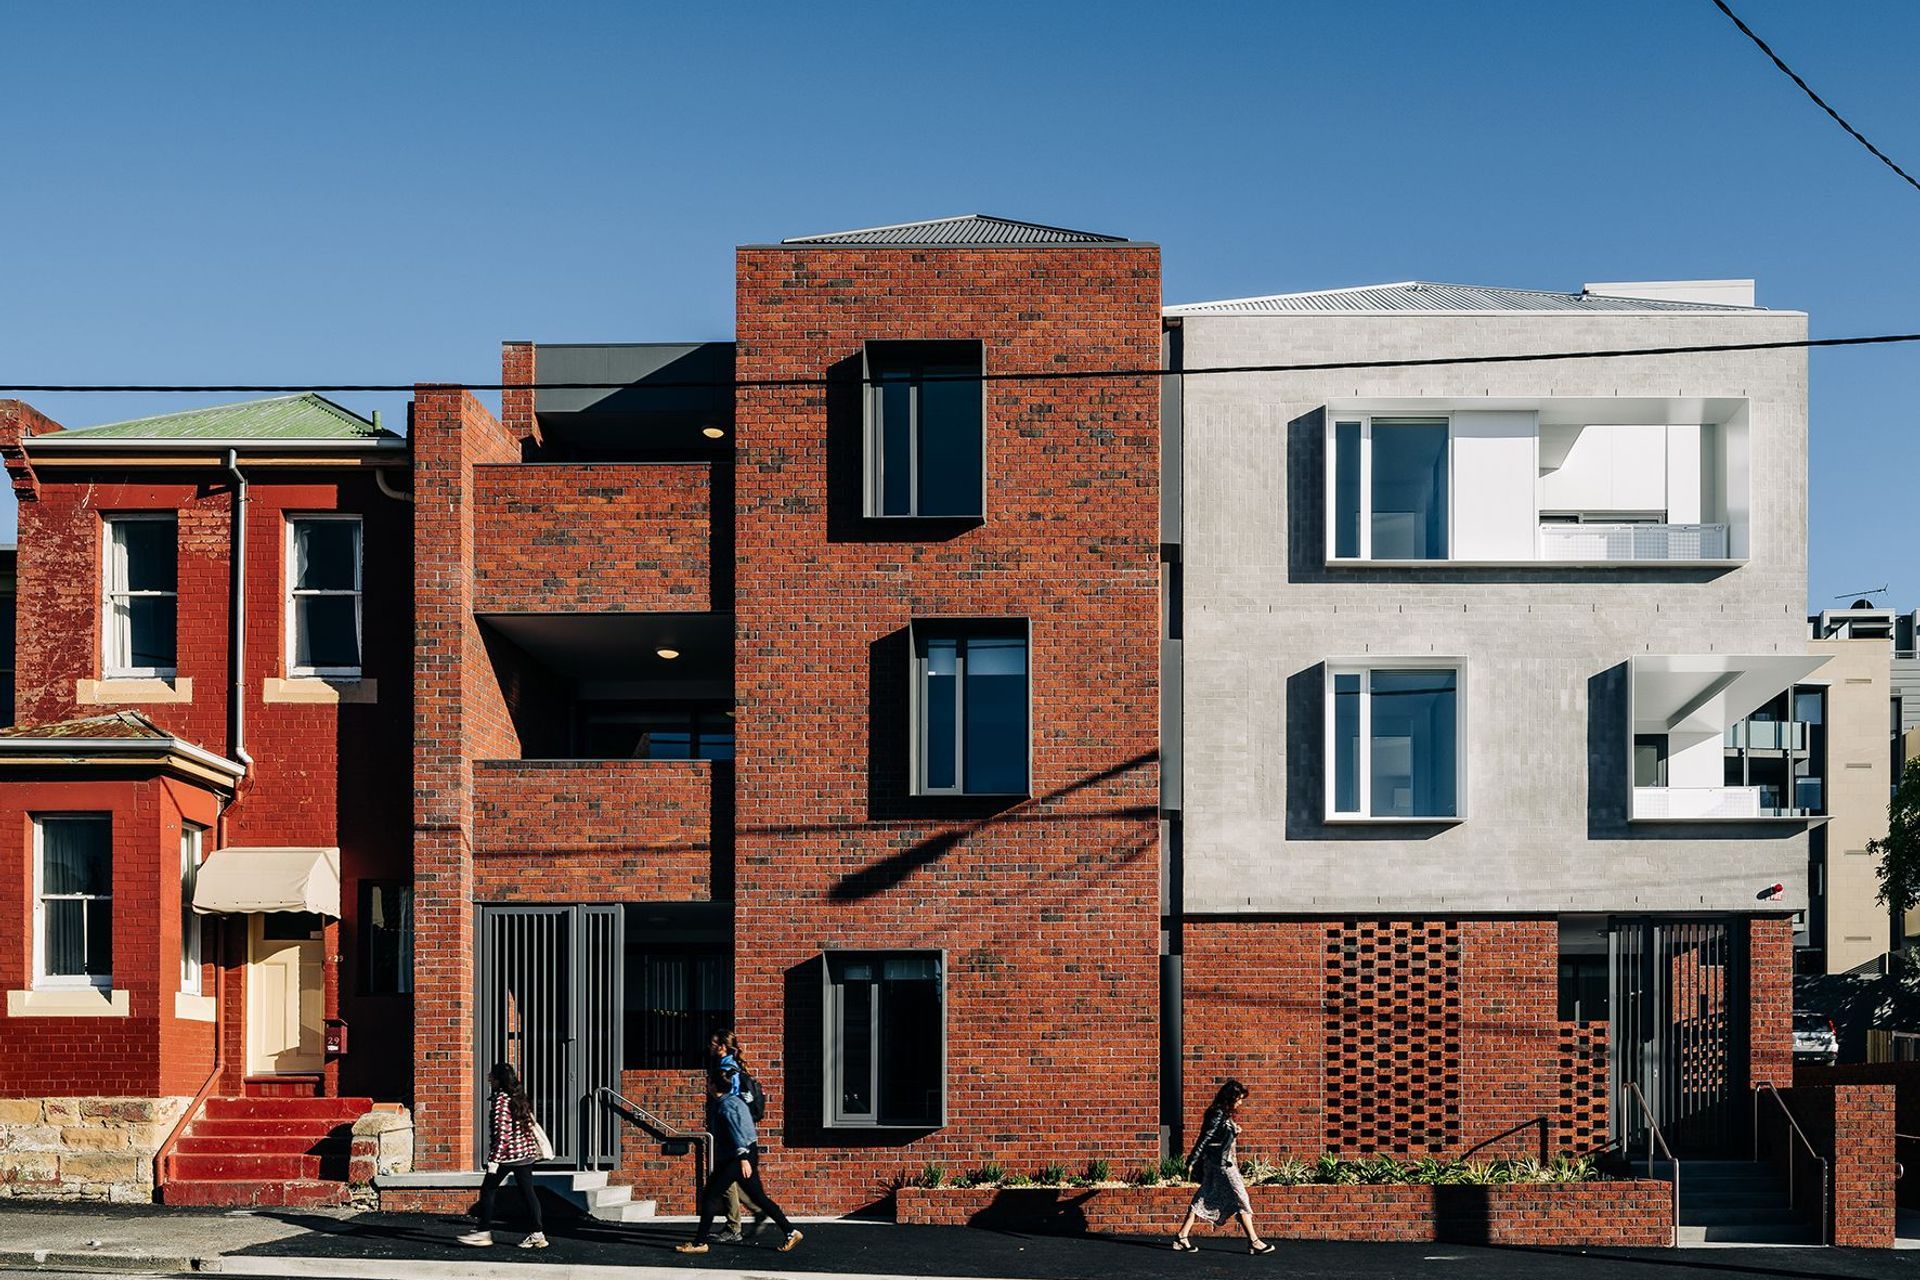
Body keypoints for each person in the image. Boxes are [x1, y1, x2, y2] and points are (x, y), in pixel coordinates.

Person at [677, 1066, 802, 1254]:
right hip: (745, 1153)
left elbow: (737, 1132)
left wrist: (743, 1157)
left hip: (736, 1157)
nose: (707, 1085)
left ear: (713, 1086)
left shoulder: (727, 1106)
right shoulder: (736, 1100)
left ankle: (699, 1243)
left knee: (711, 1196)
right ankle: (791, 1231)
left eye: (709, 1082)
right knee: (758, 1197)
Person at [1171, 1079, 1273, 1255]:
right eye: (1239, 1099)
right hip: (1223, 1164)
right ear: (1230, 1098)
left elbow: (1219, 1136)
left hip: (1216, 1163)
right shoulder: (1217, 1113)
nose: (1240, 1102)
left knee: (1203, 1196)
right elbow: (1205, 1138)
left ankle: (1182, 1236)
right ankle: (1254, 1242)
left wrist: (1234, 1131)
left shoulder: (1221, 1113)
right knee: (1241, 1198)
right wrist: (1192, 1161)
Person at [459, 1062, 549, 1249]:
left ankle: (483, 1233)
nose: (489, 1079)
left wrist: (494, 1161)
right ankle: (537, 1234)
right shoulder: (518, 1097)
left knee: (488, 1190)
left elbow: (502, 1135)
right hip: (525, 1154)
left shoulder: (501, 1100)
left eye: (492, 1076)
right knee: (528, 1194)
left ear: (499, 1080)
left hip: (508, 1157)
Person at [707, 1028, 766, 1244]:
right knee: (730, 1178)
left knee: (725, 1182)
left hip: (730, 1133)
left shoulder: (727, 1069)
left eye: (713, 1043)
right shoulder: (732, 1065)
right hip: (734, 1132)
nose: (710, 1046)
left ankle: (734, 1227)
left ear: (722, 1046)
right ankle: (756, 1209)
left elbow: (730, 1106)